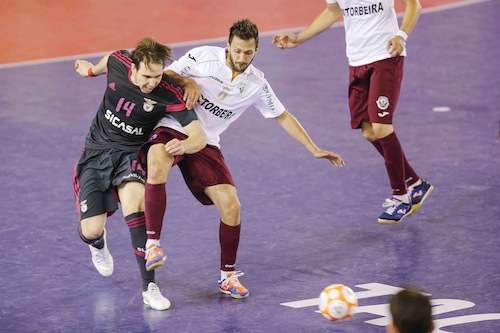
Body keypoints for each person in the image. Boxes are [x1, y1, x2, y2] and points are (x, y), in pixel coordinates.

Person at [137, 19, 345, 300]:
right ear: (228, 46)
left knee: (232, 207)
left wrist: (313, 148)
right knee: (158, 163)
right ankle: (153, 244)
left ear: (256, 50)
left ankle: (227, 276)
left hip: (206, 142)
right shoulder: (203, 58)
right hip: (174, 125)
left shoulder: (257, 83)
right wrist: (187, 81)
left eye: (247, 53)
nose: (241, 58)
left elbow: (282, 115)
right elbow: (165, 74)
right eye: (236, 51)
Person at [73, 37, 206, 311]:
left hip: (132, 154)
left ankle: (149, 287)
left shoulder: (168, 94)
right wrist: (88, 71)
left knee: (135, 208)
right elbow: (105, 62)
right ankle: (97, 243)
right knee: (90, 229)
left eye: (157, 76)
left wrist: (185, 144)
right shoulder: (117, 62)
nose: (152, 83)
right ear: (132, 68)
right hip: (97, 151)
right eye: (147, 76)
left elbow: (198, 136)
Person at [272, 0, 433, 224]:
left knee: (381, 127)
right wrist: (299, 38)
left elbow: (413, 5)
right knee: (368, 130)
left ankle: (401, 196)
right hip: (357, 61)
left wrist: (401, 35)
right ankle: (415, 183)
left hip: (385, 56)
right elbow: (333, 10)